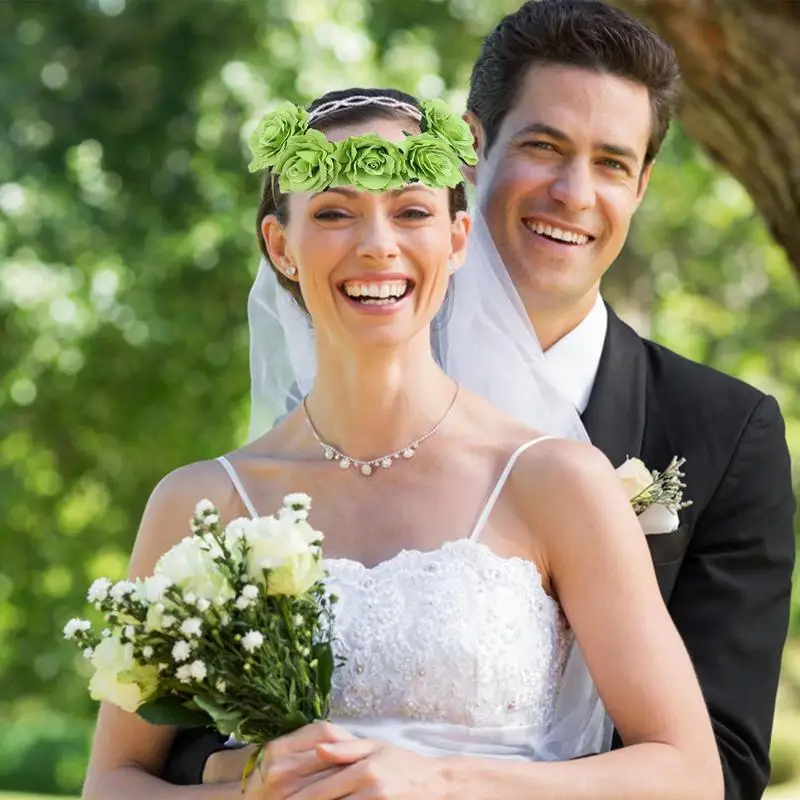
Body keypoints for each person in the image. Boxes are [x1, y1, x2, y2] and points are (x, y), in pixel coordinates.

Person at [160, 2, 796, 797]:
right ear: (471, 149)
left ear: (641, 185)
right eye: (544, 146)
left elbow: (723, 765)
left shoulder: (727, 431)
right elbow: (185, 737)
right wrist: (270, 768)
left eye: (610, 163)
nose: (572, 192)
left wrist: (448, 780)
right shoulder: (320, 406)